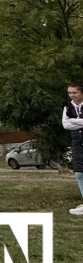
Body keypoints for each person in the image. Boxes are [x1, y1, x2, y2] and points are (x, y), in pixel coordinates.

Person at [63, 83, 83, 216]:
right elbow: (65, 124)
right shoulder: (68, 107)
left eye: (74, 92)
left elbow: (71, 123)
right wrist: (80, 121)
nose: (72, 95)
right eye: (70, 93)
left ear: (81, 93)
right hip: (77, 144)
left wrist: (74, 121)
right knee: (79, 173)